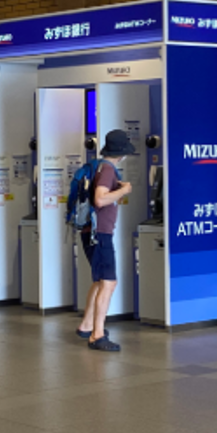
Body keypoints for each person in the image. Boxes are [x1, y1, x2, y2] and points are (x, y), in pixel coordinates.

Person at [78, 129, 134, 351]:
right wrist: (124, 190)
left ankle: (86, 326)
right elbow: (100, 200)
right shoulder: (108, 170)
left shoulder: (100, 166)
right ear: (122, 152)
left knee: (101, 281)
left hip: (92, 232)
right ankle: (97, 334)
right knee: (109, 283)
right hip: (99, 233)